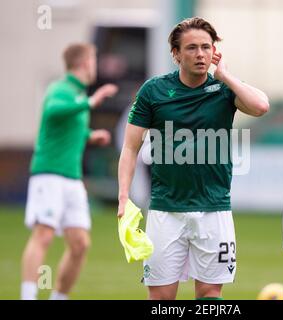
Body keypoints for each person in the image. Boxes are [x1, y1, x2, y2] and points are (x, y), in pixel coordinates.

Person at [117, 17, 269, 300]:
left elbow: (261, 106)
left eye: (206, 47)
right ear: (176, 54)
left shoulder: (225, 90)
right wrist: (124, 196)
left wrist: (225, 75)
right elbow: (129, 148)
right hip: (165, 210)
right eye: (191, 48)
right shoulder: (154, 91)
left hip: (215, 209)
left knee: (210, 296)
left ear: (214, 51)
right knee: (161, 298)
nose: (200, 54)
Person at [21, 43, 118, 300]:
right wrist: (89, 102)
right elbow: (53, 111)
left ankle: (58, 297)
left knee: (80, 244)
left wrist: (90, 135)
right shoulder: (61, 89)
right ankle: (28, 296)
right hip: (50, 174)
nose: (95, 65)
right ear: (85, 62)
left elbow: (66, 128)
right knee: (44, 235)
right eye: (94, 59)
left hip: (72, 178)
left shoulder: (77, 94)